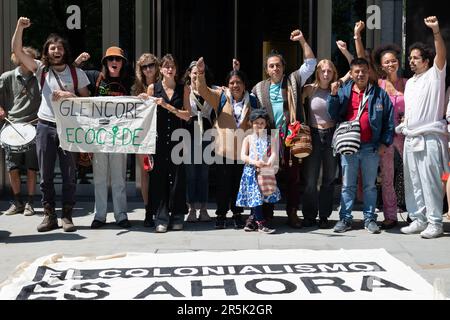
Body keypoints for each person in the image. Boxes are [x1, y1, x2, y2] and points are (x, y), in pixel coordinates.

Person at [12, 17, 90, 232]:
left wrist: (68, 95)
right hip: (45, 126)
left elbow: (88, 101)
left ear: (65, 51)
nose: (56, 51)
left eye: (60, 48)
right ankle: (49, 215)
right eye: (52, 48)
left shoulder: (78, 73)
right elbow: (17, 51)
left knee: (69, 175)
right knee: (45, 175)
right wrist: (19, 27)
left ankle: (67, 216)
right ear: (47, 51)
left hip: (70, 128)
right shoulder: (40, 69)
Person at [252, 29, 317, 228]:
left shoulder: (293, 80)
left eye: (278, 65)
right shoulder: (258, 88)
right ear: (267, 70)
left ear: (283, 67)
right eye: (271, 66)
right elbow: (253, 115)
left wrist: (302, 41)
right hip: (269, 139)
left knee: (293, 179)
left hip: (292, 137)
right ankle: (268, 214)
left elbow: (311, 64)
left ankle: (292, 214)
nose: (275, 69)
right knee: (267, 175)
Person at [328, 58, 394, 234]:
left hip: (371, 147)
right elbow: (333, 114)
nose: (360, 74)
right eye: (356, 71)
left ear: (369, 72)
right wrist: (333, 96)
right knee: (347, 185)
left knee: (370, 186)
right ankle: (345, 219)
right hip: (348, 146)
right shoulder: (344, 91)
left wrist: (384, 142)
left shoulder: (380, 94)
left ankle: (370, 219)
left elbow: (389, 120)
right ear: (352, 73)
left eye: (364, 70)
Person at [400, 16, 449, 239]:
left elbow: (441, 54)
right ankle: (418, 219)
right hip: (411, 137)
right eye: (410, 58)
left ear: (426, 61)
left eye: (416, 58)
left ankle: (435, 222)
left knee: (430, 182)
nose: (411, 61)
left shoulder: (435, 75)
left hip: (430, 136)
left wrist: (436, 31)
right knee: (413, 181)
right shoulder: (410, 82)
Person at [195, 57, 258, 229]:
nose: (235, 85)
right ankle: (221, 215)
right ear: (227, 85)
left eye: (238, 82)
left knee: (238, 185)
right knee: (223, 186)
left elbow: (258, 121)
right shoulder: (221, 97)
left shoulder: (251, 100)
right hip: (223, 151)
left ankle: (237, 214)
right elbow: (202, 90)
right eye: (231, 82)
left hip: (243, 152)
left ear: (244, 85)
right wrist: (200, 73)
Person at [85, 46, 133, 229]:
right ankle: (100, 215)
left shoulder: (129, 82)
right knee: (99, 179)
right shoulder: (95, 78)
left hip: (120, 138)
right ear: (105, 62)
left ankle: (121, 215)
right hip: (99, 138)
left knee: (119, 178)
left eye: (118, 59)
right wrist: (79, 61)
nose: (114, 62)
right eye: (111, 59)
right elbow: (70, 75)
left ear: (122, 63)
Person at [144, 54, 190, 233]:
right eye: (166, 66)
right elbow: (146, 116)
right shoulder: (152, 88)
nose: (169, 69)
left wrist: (167, 106)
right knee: (159, 177)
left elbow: (187, 115)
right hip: (159, 138)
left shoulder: (182, 88)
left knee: (178, 177)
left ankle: (178, 214)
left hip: (178, 138)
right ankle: (161, 216)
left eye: (172, 66)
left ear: (176, 70)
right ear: (161, 70)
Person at [0, 47, 40, 217]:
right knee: (13, 167)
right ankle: (17, 202)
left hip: (33, 126)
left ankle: (30, 202)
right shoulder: (7, 77)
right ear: (17, 58)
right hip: (12, 127)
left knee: (32, 167)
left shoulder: (39, 76)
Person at [372, 44, 408, 229]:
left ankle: (416, 213)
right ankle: (390, 215)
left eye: (393, 60)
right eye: (386, 61)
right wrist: (356, 38)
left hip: (407, 136)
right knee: (387, 177)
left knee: (412, 176)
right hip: (386, 137)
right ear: (381, 65)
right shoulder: (378, 85)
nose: (390, 64)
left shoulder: (408, 83)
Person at [301, 59, 339, 229]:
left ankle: (324, 215)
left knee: (329, 179)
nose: (326, 74)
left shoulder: (336, 87)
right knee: (310, 179)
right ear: (317, 72)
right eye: (323, 71)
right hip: (313, 134)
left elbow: (354, 69)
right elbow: (293, 99)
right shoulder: (310, 89)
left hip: (331, 135)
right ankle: (309, 215)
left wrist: (348, 48)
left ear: (333, 73)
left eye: (329, 71)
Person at [236, 109, 280, 234]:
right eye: (256, 123)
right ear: (251, 123)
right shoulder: (248, 138)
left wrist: (269, 162)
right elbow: (243, 156)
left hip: (265, 171)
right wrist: (254, 162)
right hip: (251, 172)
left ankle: (254, 221)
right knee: (255, 197)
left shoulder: (271, 138)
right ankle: (261, 224)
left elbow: (274, 154)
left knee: (263, 196)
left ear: (266, 124)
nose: (259, 125)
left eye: (261, 122)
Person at [183, 60, 214, 223]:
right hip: (188, 133)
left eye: (199, 72)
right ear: (189, 73)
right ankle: (191, 209)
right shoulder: (185, 91)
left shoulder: (211, 89)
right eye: (193, 72)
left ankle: (203, 208)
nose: (196, 75)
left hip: (207, 133)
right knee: (191, 174)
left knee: (203, 173)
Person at [131, 53, 160, 227]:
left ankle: (161, 208)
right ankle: (148, 210)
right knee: (145, 172)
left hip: (160, 133)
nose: (148, 69)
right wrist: (138, 100)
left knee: (160, 173)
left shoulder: (163, 85)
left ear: (156, 67)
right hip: (142, 135)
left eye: (151, 65)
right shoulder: (136, 87)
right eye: (144, 66)